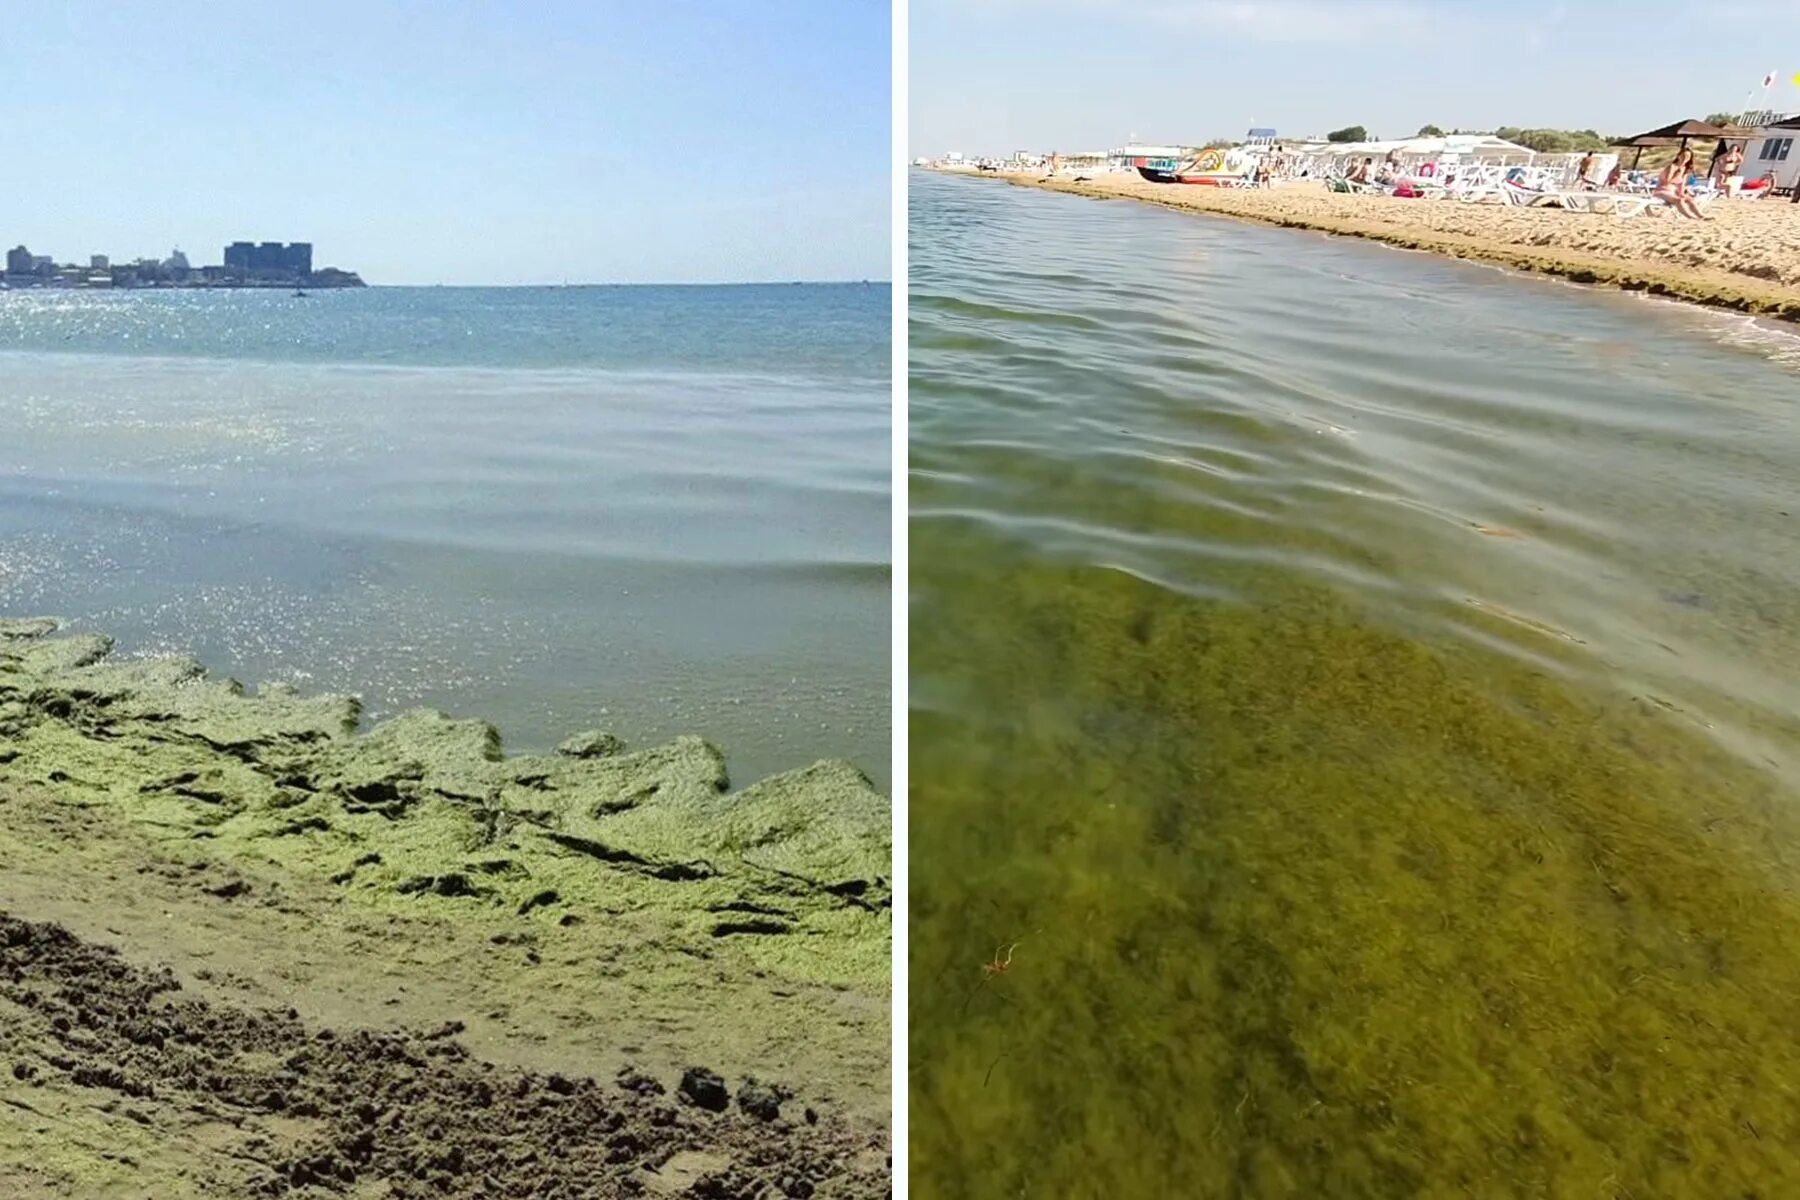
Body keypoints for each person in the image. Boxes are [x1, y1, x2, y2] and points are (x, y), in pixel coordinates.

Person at [1653, 148, 1708, 219]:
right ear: (1679, 156)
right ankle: (1691, 217)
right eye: (1683, 156)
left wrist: (1682, 194)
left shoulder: (1684, 169)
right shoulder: (1672, 167)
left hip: (1673, 192)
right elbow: (1666, 181)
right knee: (1679, 200)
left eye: (1688, 157)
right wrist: (1677, 174)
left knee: (1690, 199)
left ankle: (1701, 216)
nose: (1685, 158)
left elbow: (1682, 185)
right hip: (1661, 191)